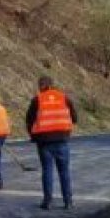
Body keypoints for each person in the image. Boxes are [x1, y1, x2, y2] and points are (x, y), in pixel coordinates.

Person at [26, 75, 78, 210]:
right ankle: (68, 202)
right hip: (62, 140)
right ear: (51, 84)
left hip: (44, 142)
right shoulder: (64, 98)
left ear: (41, 86)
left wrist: (33, 136)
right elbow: (74, 117)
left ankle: (47, 201)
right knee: (64, 171)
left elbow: (29, 120)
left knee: (47, 171)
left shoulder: (37, 100)